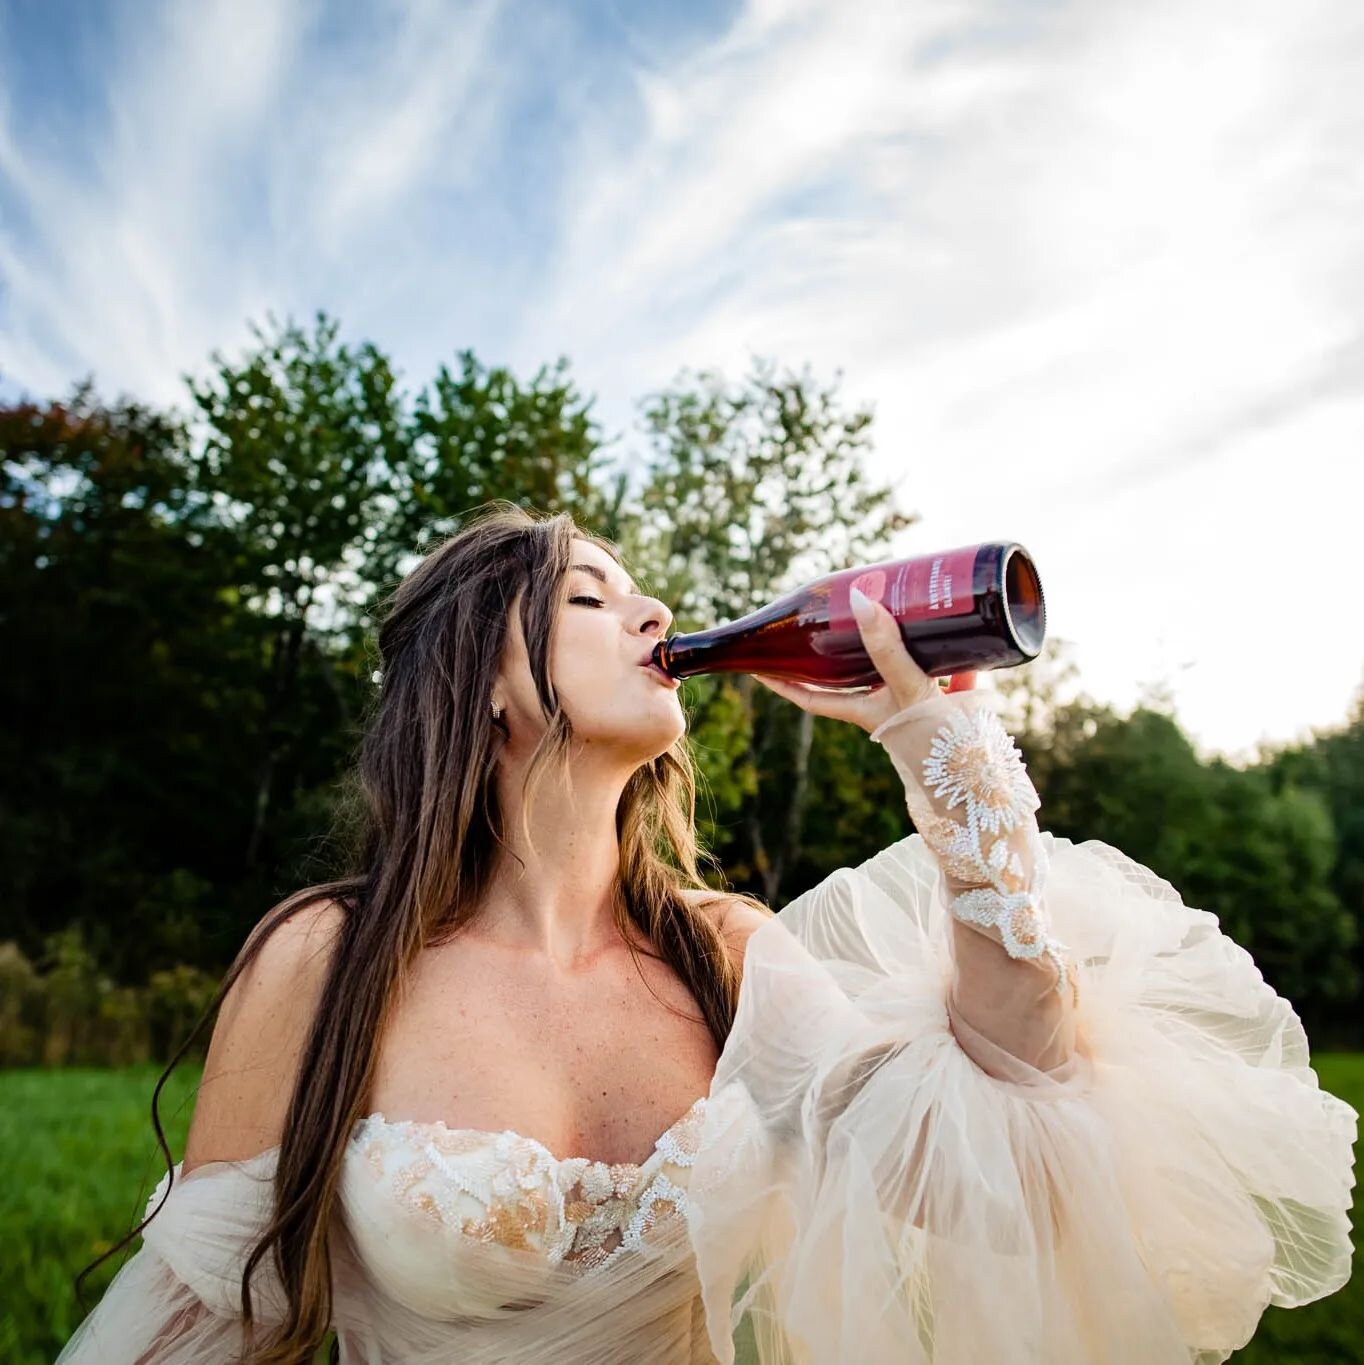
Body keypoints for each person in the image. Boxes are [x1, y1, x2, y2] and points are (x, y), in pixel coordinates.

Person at [58, 505, 1357, 1364]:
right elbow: (203, 1331)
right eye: (588, 596)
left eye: (643, 592)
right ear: (486, 677)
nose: (649, 615)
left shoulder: (726, 954)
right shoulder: (326, 960)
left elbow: (1009, 1158)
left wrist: (946, 755)